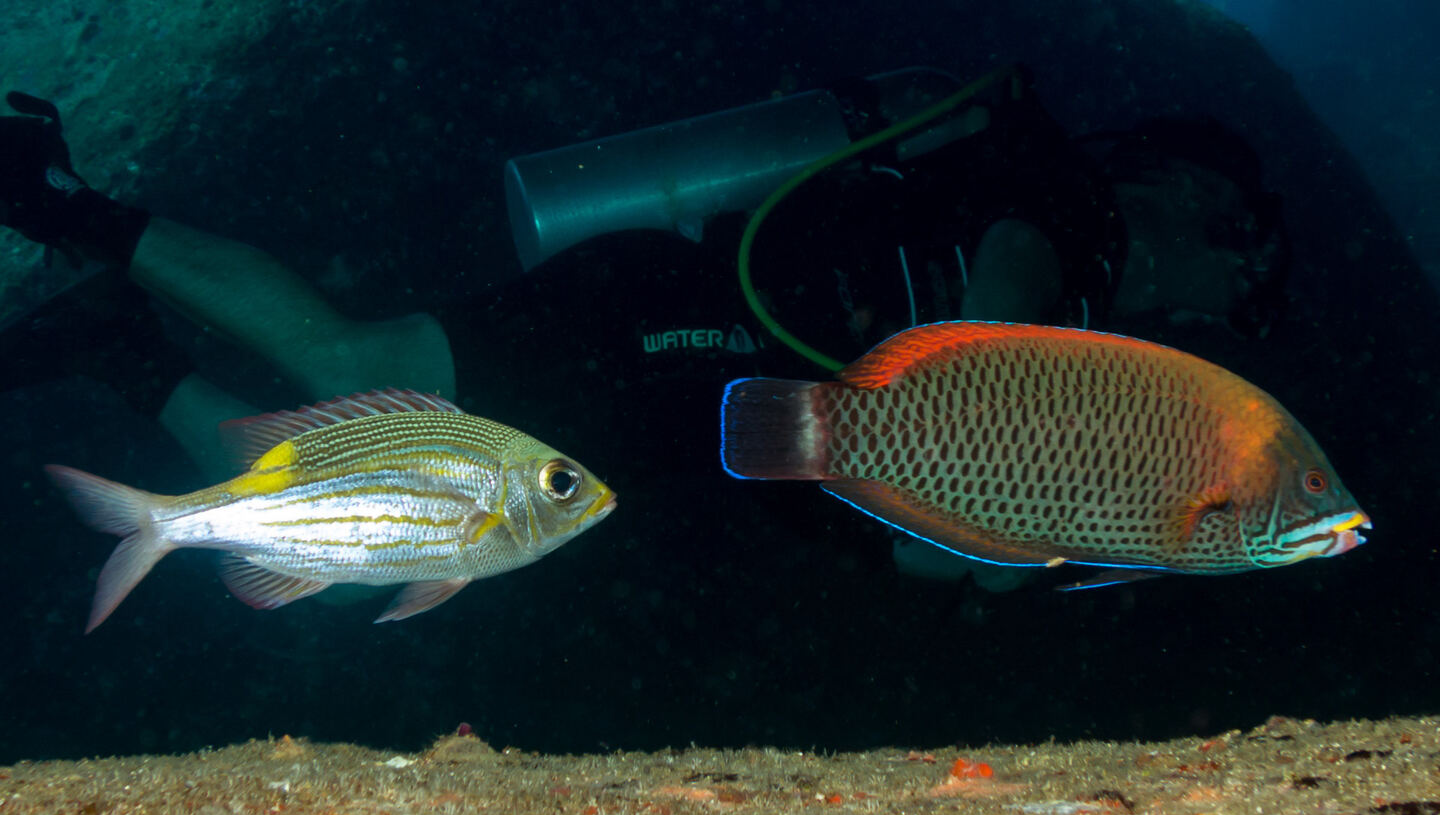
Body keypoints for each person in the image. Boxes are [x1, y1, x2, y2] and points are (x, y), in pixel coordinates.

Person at [0, 68, 1289, 587]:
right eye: (1246, 256)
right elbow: (993, 331)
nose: (1230, 300)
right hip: (674, 323)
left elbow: (930, 549)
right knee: (355, 374)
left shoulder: (1096, 305)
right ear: (1187, 196)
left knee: (353, 476)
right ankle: (62, 205)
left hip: (719, 413)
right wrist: (1054, 488)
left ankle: (122, 345)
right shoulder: (1059, 202)